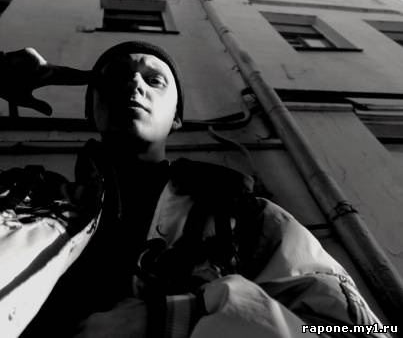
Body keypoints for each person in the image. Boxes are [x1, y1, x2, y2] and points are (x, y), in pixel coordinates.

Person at [0, 43, 390, 338]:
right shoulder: (20, 199)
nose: (134, 82)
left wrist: (174, 319)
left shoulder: (247, 217)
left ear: (177, 118)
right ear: (92, 110)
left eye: (154, 80)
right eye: (116, 76)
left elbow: (354, 331)